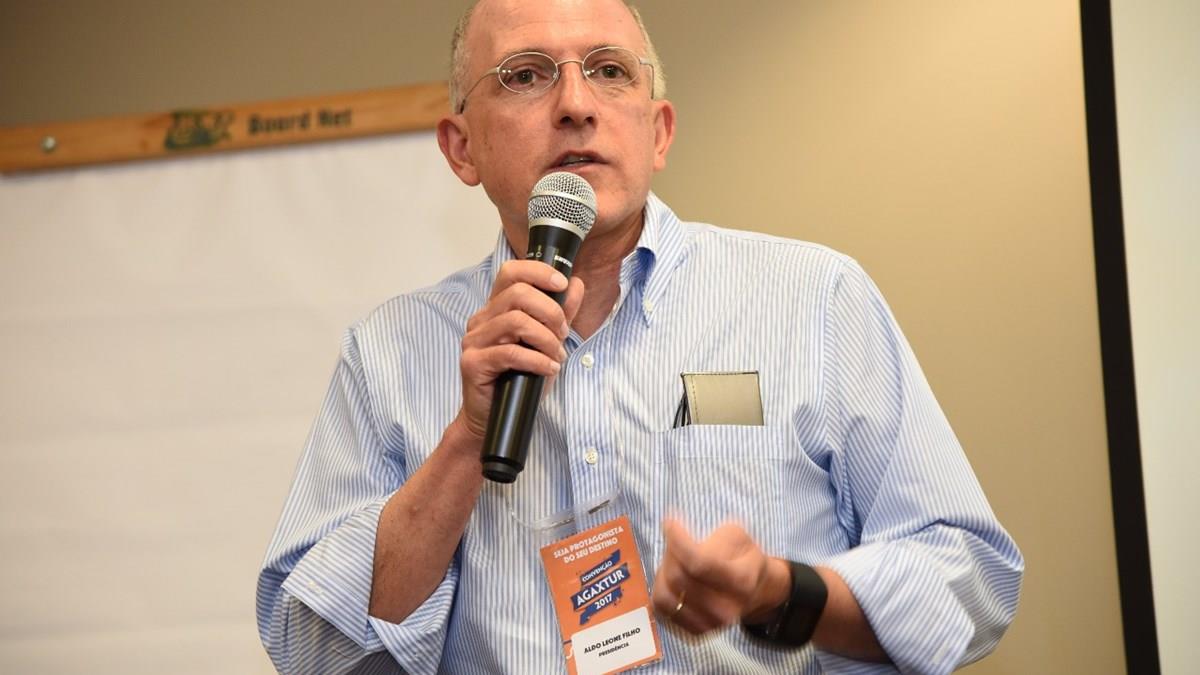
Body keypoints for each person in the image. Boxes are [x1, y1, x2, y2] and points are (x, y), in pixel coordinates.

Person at [256, 1, 1024, 673]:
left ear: (659, 132)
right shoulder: (388, 351)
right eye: (525, 75)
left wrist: (779, 592)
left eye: (609, 70)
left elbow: (970, 580)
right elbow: (311, 647)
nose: (575, 104)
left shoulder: (814, 299)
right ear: (462, 148)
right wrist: (465, 441)